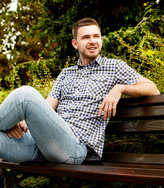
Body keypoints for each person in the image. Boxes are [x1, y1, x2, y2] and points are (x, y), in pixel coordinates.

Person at [0, 18, 160, 164]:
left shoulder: (114, 67)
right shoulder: (66, 74)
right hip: (44, 144)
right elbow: (47, 107)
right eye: (86, 37)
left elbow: (152, 89)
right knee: (25, 100)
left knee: (25, 94)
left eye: (96, 36)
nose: (93, 41)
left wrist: (120, 88)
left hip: (74, 148)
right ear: (75, 43)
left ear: (101, 40)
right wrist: (19, 120)